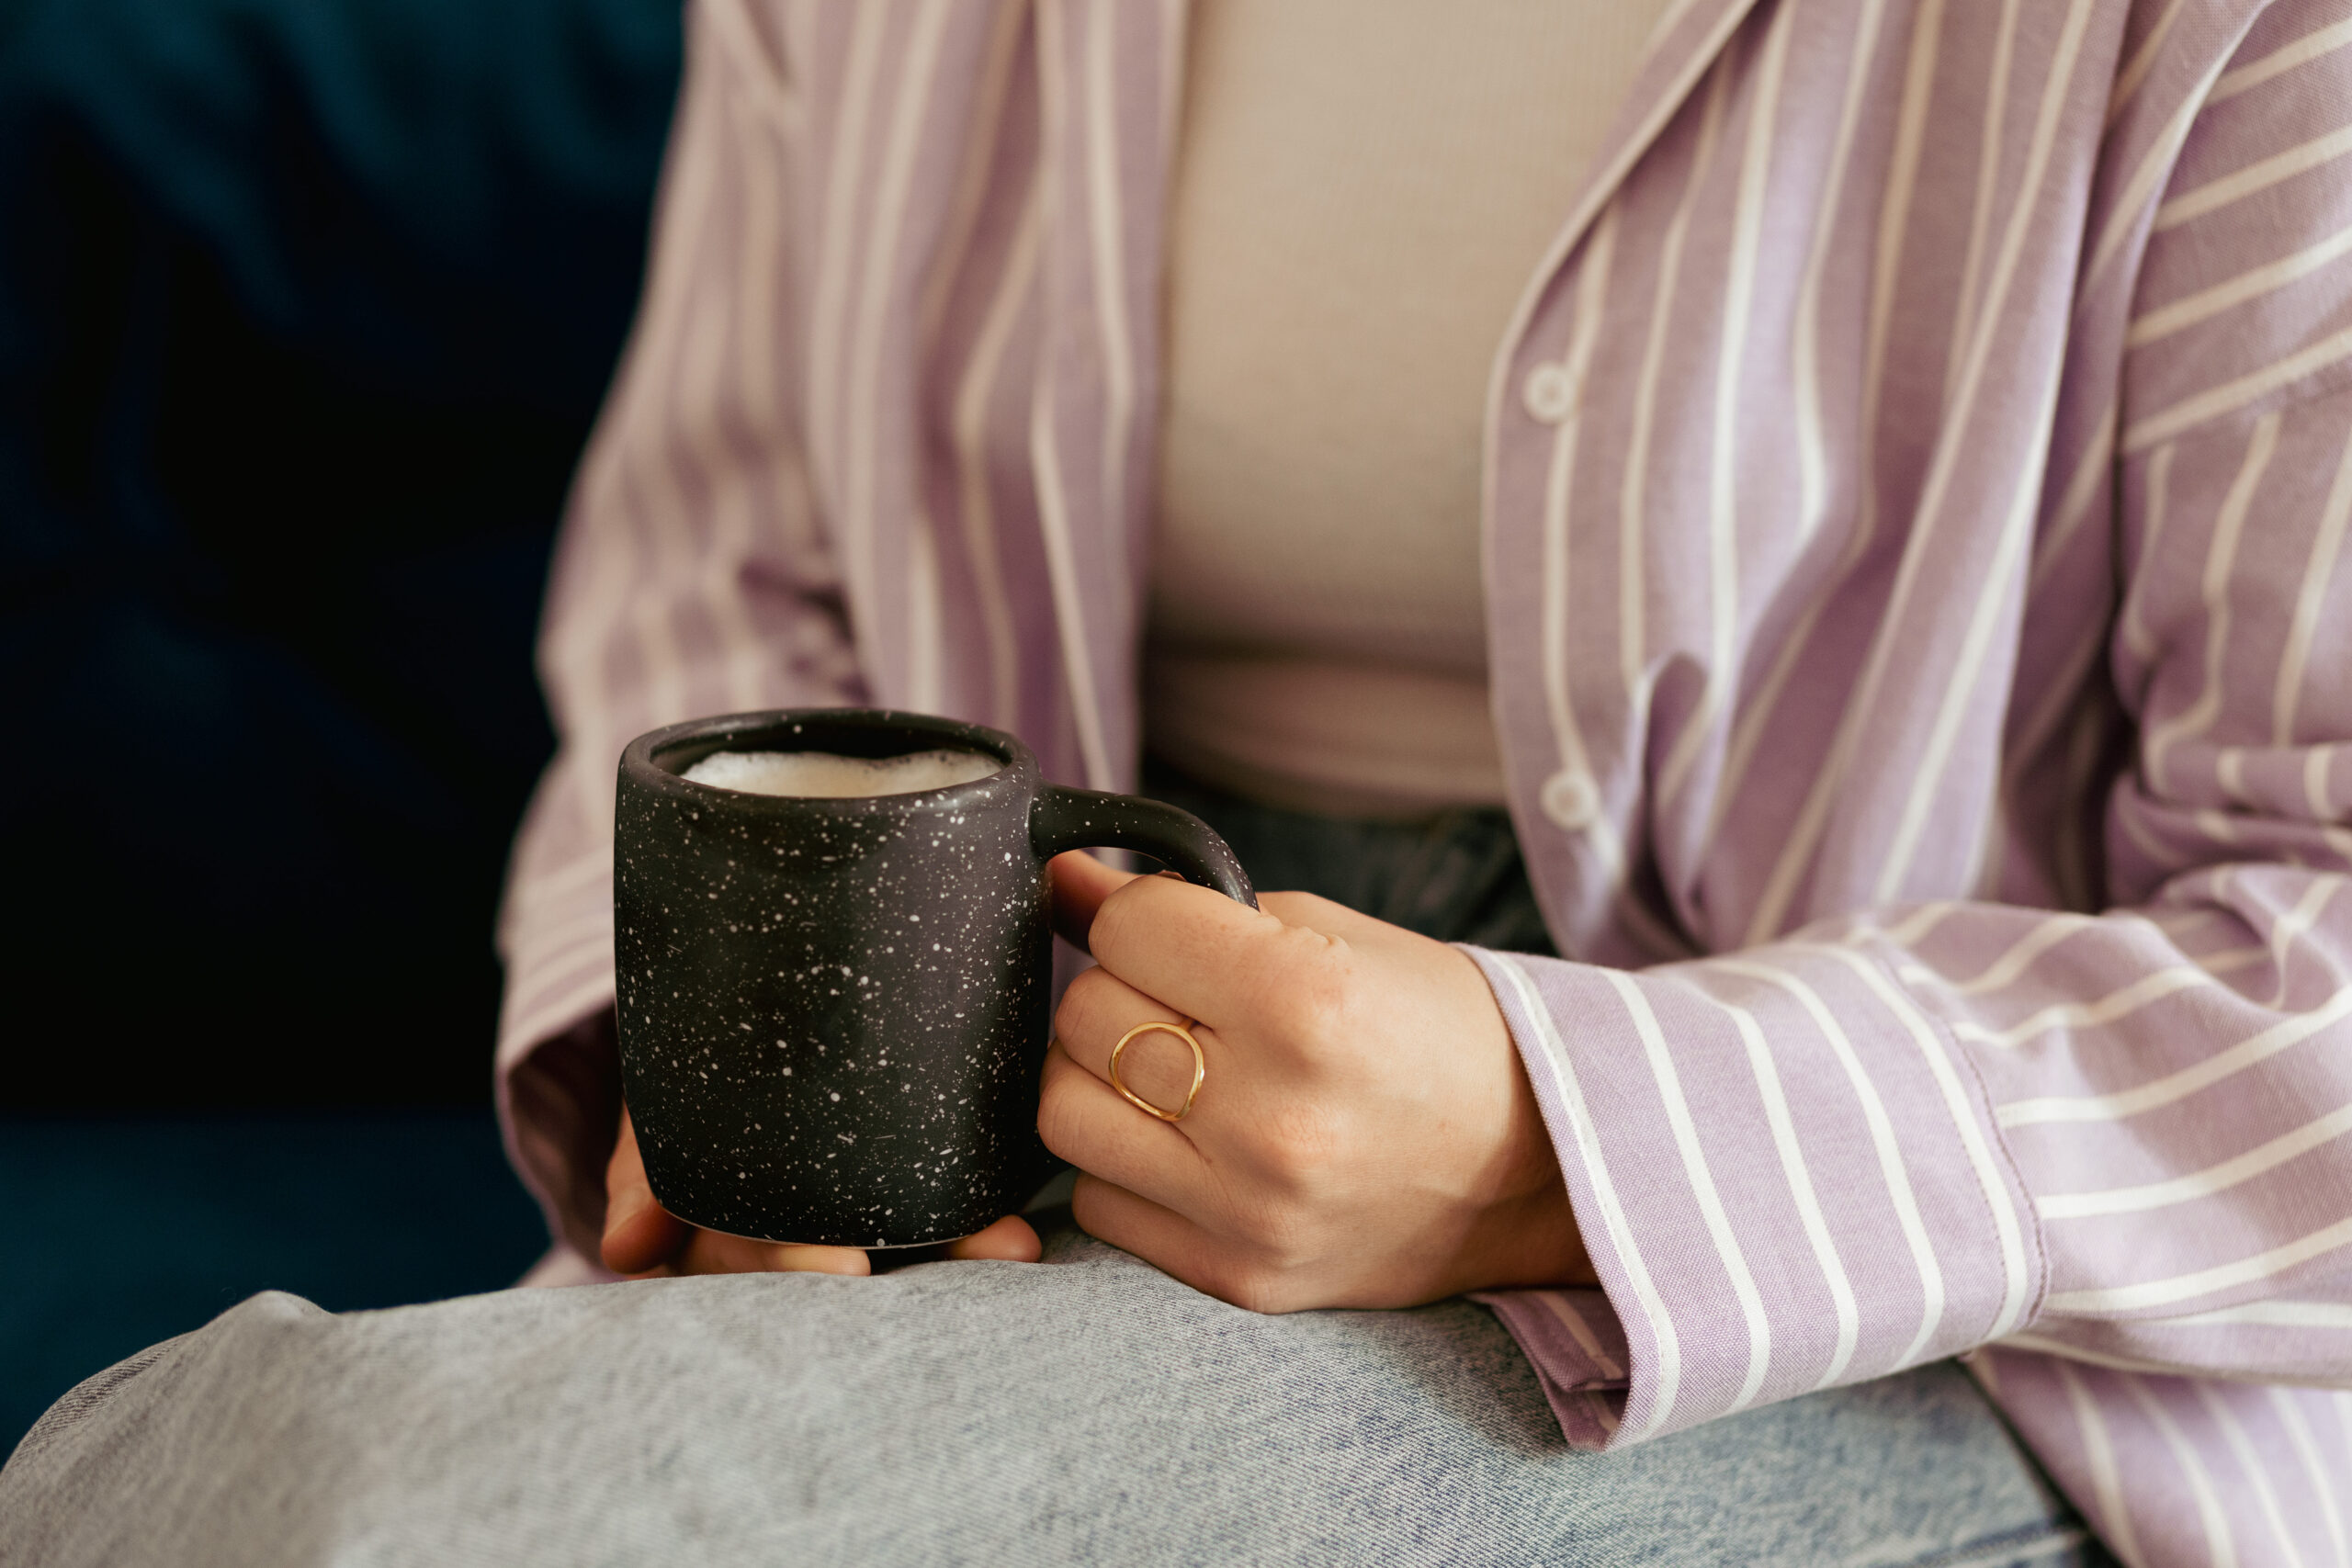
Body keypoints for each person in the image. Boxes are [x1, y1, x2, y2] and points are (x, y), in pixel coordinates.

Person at [6, 1, 2349, 1562]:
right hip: (1013, 1143)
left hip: (1907, 1313)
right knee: (194, 1480)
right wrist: (751, 1067)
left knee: (348, 1503)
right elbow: (718, 572)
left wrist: (1558, 1132)